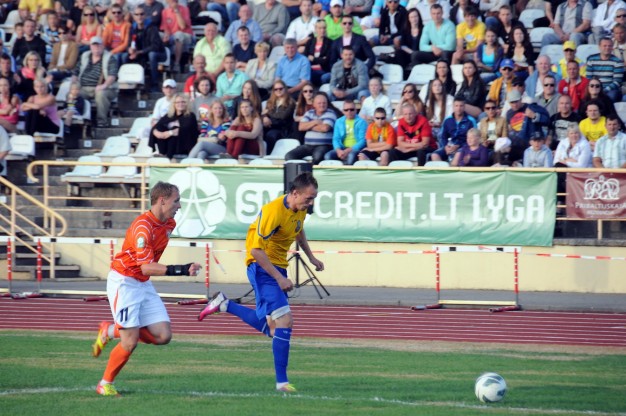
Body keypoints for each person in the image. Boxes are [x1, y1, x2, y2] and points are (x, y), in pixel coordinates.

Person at [198, 171, 323, 393]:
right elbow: (256, 250)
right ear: (295, 193)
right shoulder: (273, 212)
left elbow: (299, 230)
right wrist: (279, 277)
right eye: (309, 198)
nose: (311, 203)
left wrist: (311, 257)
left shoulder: (300, 209)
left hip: (277, 266)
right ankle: (282, 383)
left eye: (313, 198)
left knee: (275, 329)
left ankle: (225, 304)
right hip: (261, 267)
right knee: (285, 321)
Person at [92, 181, 202, 396]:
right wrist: (182, 269)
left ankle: (110, 330)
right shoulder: (143, 228)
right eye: (176, 201)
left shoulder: (169, 223)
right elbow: (147, 266)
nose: (179, 205)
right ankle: (104, 384)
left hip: (142, 282)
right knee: (130, 342)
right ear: (162, 200)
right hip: (124, 282)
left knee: (163, 336)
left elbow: (146, 269)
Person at [72, 36, 118, 128]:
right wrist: (74, 84)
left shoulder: (110, 57)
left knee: (101, 94)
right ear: (90, 47)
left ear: (103, 46)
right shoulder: (84, 56)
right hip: (84, 87)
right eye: (94, 45)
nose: (96, 48)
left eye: (98, 45)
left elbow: (112, 76)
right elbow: (75, 72)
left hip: (106, 88)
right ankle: (76, 118)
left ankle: (102, 121)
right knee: (72, 93)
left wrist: (104, 85)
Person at [286, 92, 337, 164]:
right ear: (314, 104)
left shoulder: (331, 113)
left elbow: (325, 128)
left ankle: (308, 169)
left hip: (324, 145)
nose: (322, 105)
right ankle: (303, 168)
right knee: (289, 156)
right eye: (319, 103)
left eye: (324, 103)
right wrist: (315, 122)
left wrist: (308, 126)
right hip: (307, 145)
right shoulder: (309, 113)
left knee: (317, 157)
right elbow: (301, 127)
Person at [127, 5, 167, 93]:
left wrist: (139, 52)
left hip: (159, 53)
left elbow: (155, 46)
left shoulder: (152, 27)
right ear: (133, 16)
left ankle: (155, 85)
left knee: (152, 55)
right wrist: (130, 50)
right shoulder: (132, 28)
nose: (139, 16)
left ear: (145, 15)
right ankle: (131, 85)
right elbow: (129, 44)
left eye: (141, 14)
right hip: (142, 53)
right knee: (125, 56)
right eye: (137, 14)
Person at [150, 93, 199, 159]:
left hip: (184, 145)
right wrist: (157, 133)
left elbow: (184, 129)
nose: (180, 104)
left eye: (183, 102)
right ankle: (162, 153)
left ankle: (168, 157)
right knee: (160, 128)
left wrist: (168, 133)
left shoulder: (190, 116)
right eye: (177, 102)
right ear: (174, 104)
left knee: (174, 129)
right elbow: (157, 125)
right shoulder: (169, 115)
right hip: (169, 145)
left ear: (187, 103)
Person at [431, 97, 477, 162]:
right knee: (434, 155)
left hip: (464, 148)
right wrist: (446, 147)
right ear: (453, 107)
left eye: (461, 106)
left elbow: (474, 139)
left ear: (464, 107)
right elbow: (442, 136)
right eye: (456, 106)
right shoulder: (447, 120)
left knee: (458, 154)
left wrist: (458, 146)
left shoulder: (471, 121)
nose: (458, 108)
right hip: (449, 146)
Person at [325, 100, 367, 164]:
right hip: (342, 148)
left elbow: (362, 141)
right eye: (346, 110)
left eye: (351, 109)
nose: (349, 112)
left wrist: (348, 150)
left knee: (351, 156)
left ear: (356, 110)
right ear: (343, 111)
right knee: (328, 156)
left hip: (356, 149)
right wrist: (338, 150)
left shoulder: (362, 122)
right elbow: (336, 138)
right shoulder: (339, 121)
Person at [586, 37, 625, 103]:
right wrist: (595, 89)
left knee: (611, 96)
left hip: (610, 90)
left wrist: (603, 91)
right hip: (594, 87)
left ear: (612, 47)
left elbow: (617, 82)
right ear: (599, 47)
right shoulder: (591, 60)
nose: (607, 48)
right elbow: (589, 79)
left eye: (609, 46)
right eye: (605, 46)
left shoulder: (618, 62)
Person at [262, 80, 296, 154]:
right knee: (258, 130)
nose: (278, 91)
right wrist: (264, 117)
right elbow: (264, 113)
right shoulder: (270, 102)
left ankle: (269, 155)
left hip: (282, 128)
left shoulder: (290, 102)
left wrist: (268, 114)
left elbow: (282, 116)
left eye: (280, 89)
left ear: (285, 89)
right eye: (276, 89)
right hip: (270, 126)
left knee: (271, 135)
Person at [193, 23, 232, 87]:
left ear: (217, 32)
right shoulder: (200, 44)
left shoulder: (223, 41)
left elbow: (227, 59)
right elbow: (196, 61)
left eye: (213, 30)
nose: (210, 33)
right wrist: (205, 73)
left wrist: (215, 74)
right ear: (204, 32)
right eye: (208, 30)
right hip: (203, 73)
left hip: (222, 72)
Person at [160, 0, 193, 74]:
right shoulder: (165, 11)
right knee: (158, 35)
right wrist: (166, 35)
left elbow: (182, 26)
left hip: (186, 35)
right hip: (172, 35)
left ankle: (176, 63)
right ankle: (161, 63)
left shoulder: (185, 9)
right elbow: (165, 28)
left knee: (179, 34)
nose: (173, 2)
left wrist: (176, 11)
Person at [422, 78, 453, 142]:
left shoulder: (450, 99)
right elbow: (430, 119)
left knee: (440, 134)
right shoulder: (429, 102)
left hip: (446, 128)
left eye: (439, 85)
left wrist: (441, 124)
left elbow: (451, 118)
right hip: (434, 128)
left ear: (442, 87)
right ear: (431, 88)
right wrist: (431, 123)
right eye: (435, 85)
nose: (437, 87)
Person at [304, 19, 333, 86]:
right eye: (320, 28)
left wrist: (313, 59)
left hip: (324, 70)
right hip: (310, 69)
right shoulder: (310, 42)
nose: (322, 30)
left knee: (324, 77)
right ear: (316, 29)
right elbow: (306, 57)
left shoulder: (330, 43)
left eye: (324, 28)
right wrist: (321, 59)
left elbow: (327, 60)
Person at [102, 3, 130, 67]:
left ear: (122, 13)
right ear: (111, 14)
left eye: (118, 12)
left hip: (122, 50)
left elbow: (125, 44)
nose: (116, 14)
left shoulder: (127, 25)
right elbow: (104, 40)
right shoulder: (108, 26)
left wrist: (112, 52)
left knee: (116, 57)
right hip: (110, 48)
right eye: (114, 13)